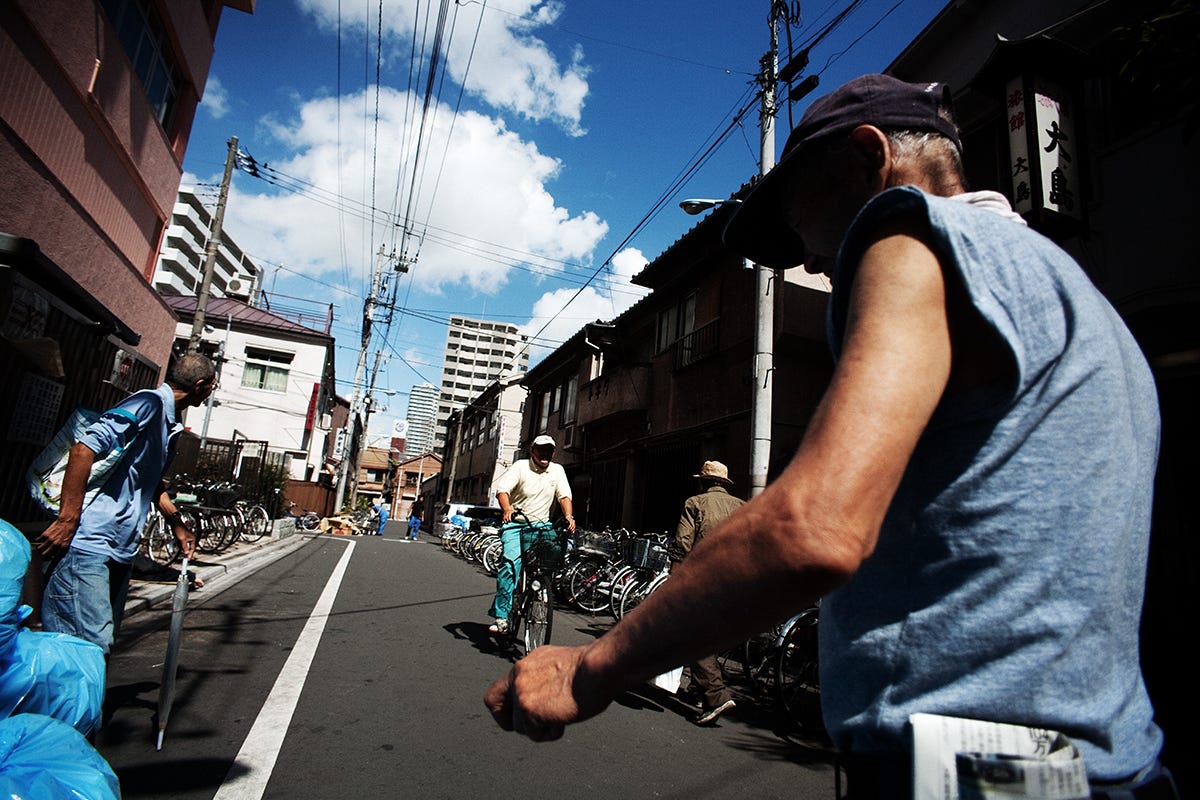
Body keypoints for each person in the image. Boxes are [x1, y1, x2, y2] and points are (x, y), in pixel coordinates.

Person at [485, 75, 1174, 797]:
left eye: (800, 218)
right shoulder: (1081, 303)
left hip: (964, 770)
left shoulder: (910, 235)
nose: (809, 260)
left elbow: (811, 530)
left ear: (870, 157)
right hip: (1101, 764)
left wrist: (592, 667)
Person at [35, 353, 215, 655]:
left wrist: (176, 523)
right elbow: (83, 450)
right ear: (200, 386)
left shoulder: (169, 420)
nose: (211, 391)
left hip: (119, 549)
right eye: (212, 386)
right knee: (86, 651)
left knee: (95, 651)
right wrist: (68, 520)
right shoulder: (148, 404)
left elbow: (150, 480)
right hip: (87, 545)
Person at [669, 460, 745, 726]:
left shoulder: (695, 503)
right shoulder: (741, 506)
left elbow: (683, 541)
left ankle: (715, 695)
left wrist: (675, 574)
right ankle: (697, 691)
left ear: (703, 481)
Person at [487, 434, 575, 634]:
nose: (545, 454)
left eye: (549, 450)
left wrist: (569, 516)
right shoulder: (520, 467)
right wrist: (507, 508)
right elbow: (503, 490)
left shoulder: (557, 470)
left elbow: (564, 496)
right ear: (532, 450)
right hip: (516, 525)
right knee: (510, 566)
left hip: (542, 526)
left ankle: (540, 588)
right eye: (541, 449)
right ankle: (502, 615)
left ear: (553, 453)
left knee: (552, 557)